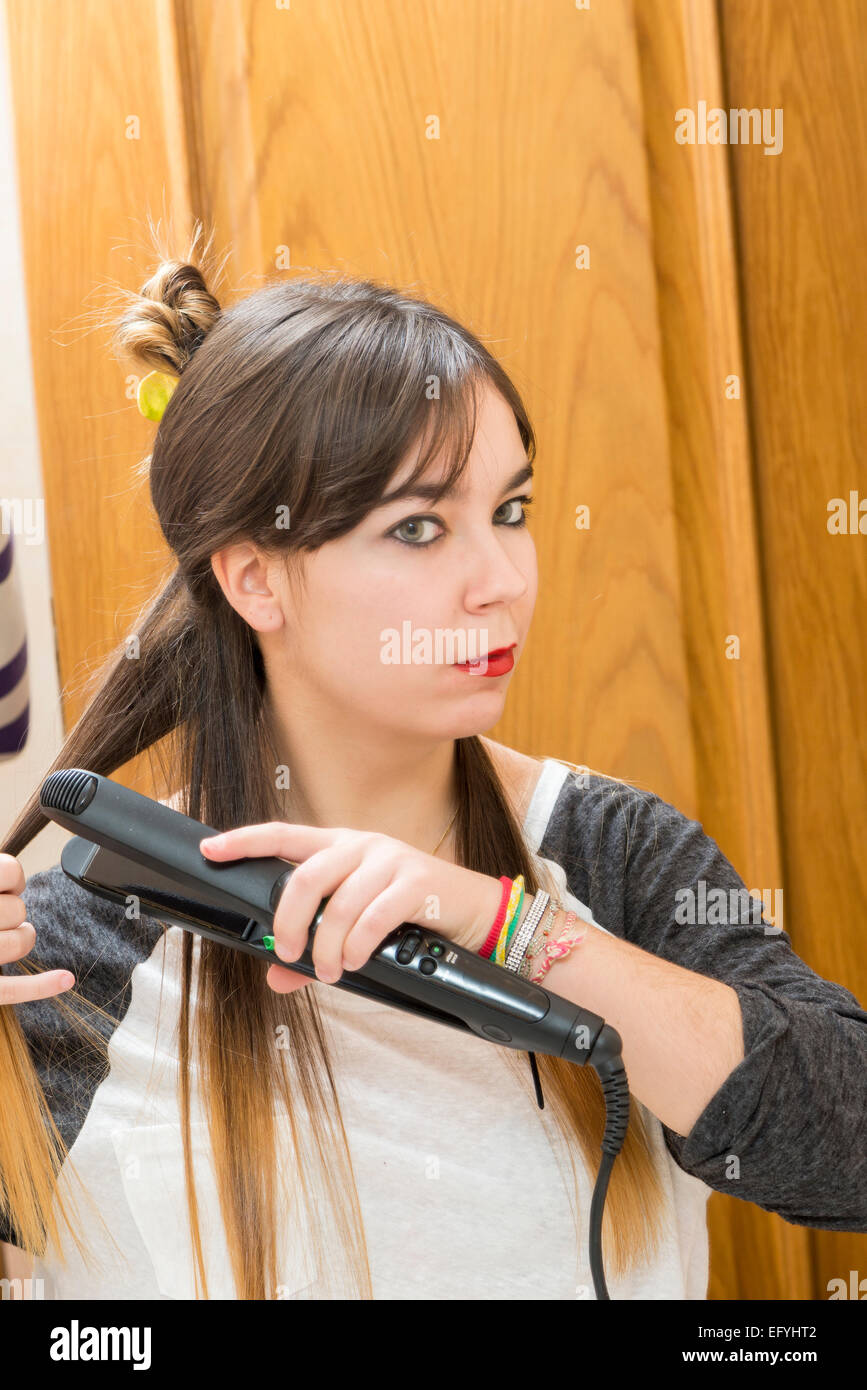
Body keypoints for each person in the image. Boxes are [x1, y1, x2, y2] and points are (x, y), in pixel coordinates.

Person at [1, 225, 865, 1301]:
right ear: (256, 581)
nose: (500, 578)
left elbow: (849, 1150)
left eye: (510, 511)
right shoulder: (76, 941)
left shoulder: (608, 854)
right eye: (420, 528)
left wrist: (504, 923)